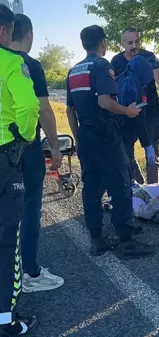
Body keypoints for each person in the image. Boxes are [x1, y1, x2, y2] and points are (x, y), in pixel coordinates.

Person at [65, 25, 155, 258]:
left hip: (85, 134)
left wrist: (79, 137)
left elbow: (69, 111)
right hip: (106, 134)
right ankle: (126, 240)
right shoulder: (102, 66)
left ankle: (97, 239)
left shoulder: (74, 71)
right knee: (120, 185)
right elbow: (105, 101)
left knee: (92, 189)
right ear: (103, 43)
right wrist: (127, 111)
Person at [9, 13, 65, 294]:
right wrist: (54, 146)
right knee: (30, 209)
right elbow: (42, 109)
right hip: (24, 147)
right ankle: (30, 272)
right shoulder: (28, 65)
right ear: (28, 35)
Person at [0, 4, 39, 335]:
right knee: (5, 241)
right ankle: (5, 320)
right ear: (4, 31)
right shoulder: (12, 62)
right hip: (3, 158)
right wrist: (23, 138)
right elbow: (29, 105)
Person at [111, 27, 159, 184]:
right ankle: (140, 188)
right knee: (126, 154)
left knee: (152, 154)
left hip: (149, 112)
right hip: (126, 114)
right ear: (122, 43)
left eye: (137, 41)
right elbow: (112, 87)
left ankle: (154, 191)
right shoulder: (116, 61)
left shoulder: (149, 58)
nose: (134, 45)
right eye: (130, 42)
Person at [115, 55, 157, 184]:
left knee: (125, 166)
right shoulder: (137, 88)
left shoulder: (119, 80)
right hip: (126, 134)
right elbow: (140, 121)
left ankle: (139, 185)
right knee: (128, 176)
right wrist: (148, 145)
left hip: (112, 133)